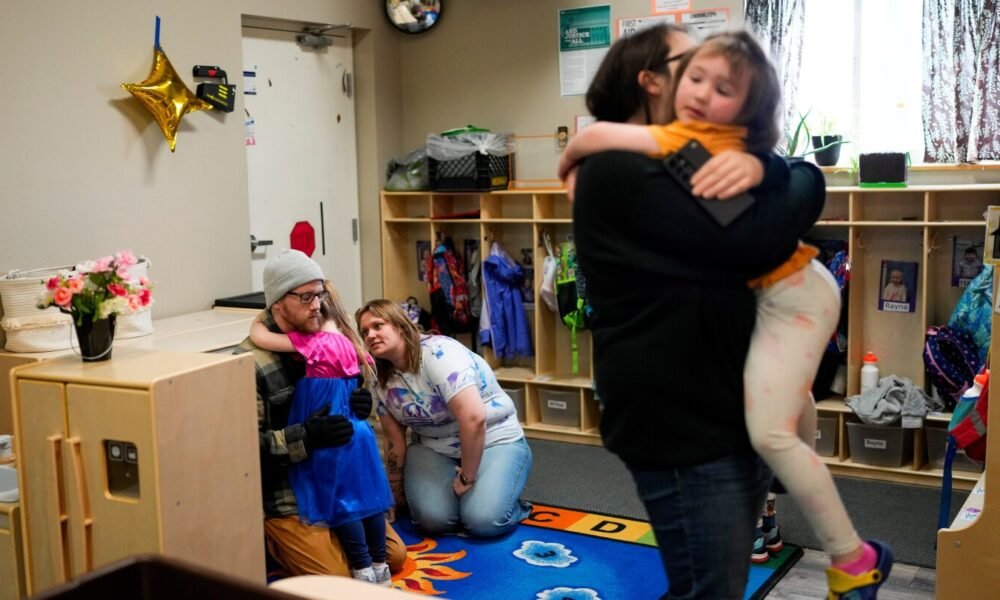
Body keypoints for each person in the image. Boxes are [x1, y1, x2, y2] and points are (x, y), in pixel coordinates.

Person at [569, 26, 890, 599]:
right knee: (710, 587)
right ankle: (852, 557)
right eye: (690, 65)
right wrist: (787, 176)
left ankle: (850, 554)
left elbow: (793, 183)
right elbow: (755, 236)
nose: (704, 83)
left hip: (724, 406)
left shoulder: (688, 152)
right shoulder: (621, 169)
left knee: (716, 582)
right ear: (652, 81)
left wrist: (774, 170)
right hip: (684, 427)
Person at [237, 249, 406, 581]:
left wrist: (362, 406)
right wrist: (306, 437)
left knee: (393, 556)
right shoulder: (251, 363)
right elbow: (246, 450)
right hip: (288, 491)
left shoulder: (330, 341)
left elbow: (352, 412)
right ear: (277, 303)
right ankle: (276, 538)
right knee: (337, 579)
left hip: (340, 472)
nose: (316, 304)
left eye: (319, 294)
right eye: (306, 297)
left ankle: (331, 538)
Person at [355, 299, 533, 538]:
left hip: (493, 439)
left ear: (400, 326)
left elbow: (473, 419)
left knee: (483, 521)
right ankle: (471, 497)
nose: (370, 335)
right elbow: (393, 440)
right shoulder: (379, 377)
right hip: (434, 447)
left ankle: (510, 503)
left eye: (378, 326)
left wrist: (467, 478)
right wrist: (394, 493)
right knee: (432, 521)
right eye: (364, 332)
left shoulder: (439, 354)